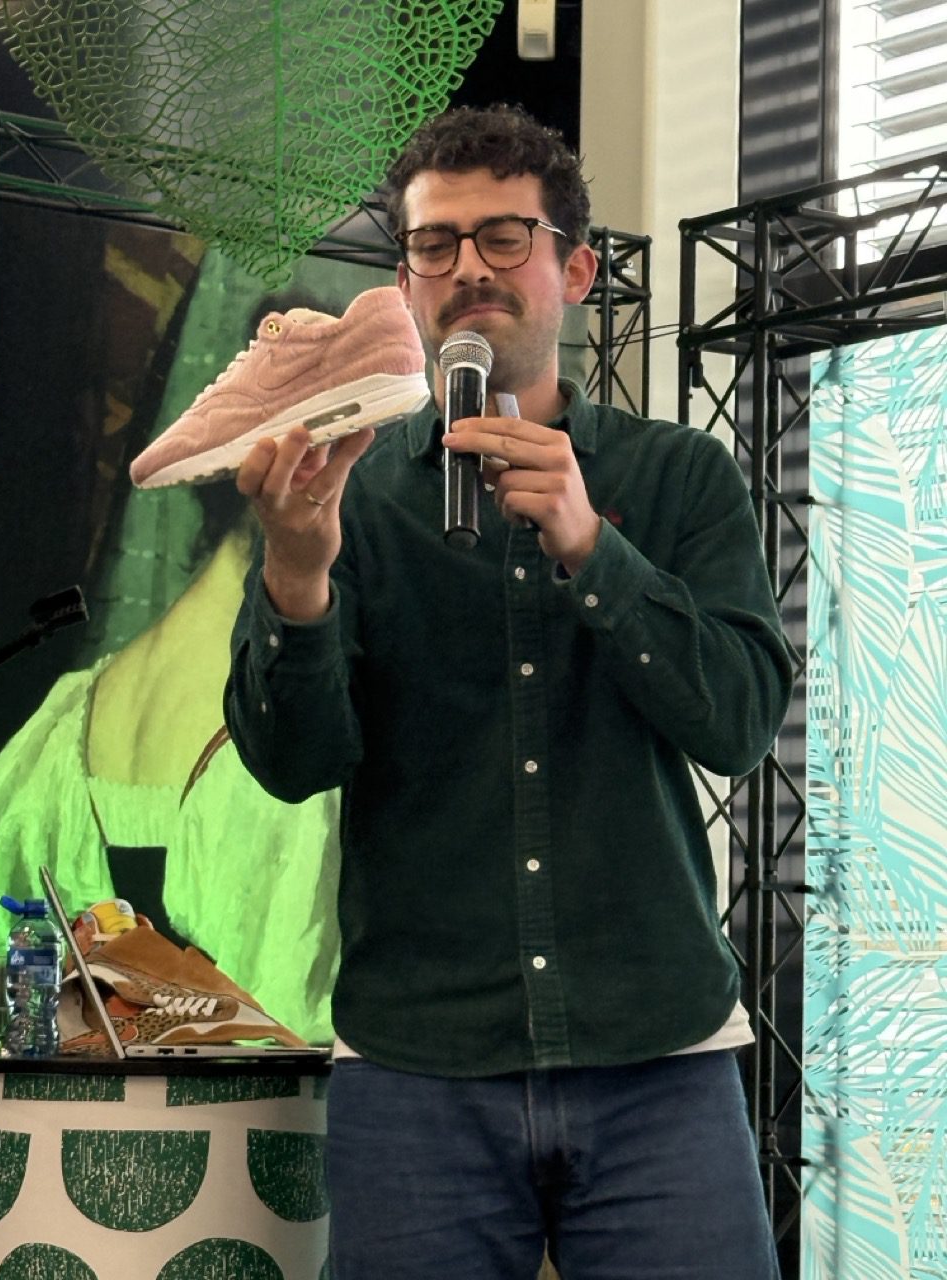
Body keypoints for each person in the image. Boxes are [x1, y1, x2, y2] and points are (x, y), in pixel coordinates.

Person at [224, 104, 792, 1279]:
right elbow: (293, 762)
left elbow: (738, 722)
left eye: (503, 236)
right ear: (405, 283)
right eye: (435, 244)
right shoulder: (345, 491)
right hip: (419, 1065)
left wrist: (594, 544)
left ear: (574, 271)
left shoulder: (679, 476)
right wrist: (296, 573)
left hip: (658, 1053)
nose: (468, 268)